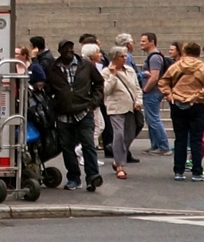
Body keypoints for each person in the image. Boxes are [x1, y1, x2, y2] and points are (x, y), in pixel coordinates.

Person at [46, 39, 103, 192]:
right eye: (66, 49)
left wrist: (94, 102)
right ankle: (73, 178)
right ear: (60, 51)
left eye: (71, 48)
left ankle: (92, 177)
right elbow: (48, 89)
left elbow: (99, 83)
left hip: (84, 111)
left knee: (88, 145)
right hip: (63, 114)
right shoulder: (53, 68)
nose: (69, 51)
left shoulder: (86, 65)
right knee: (67, 148)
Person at [161, 41, 204, 181]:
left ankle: (179, 171)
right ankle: (197, 171)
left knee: (180, 139)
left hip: (177, 102)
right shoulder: (203, 67)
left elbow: (163, 81)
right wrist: (199, 96)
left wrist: (169, 95)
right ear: (198, 53)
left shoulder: (176, 66)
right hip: (197, 104)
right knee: (196, 139)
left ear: (184, 52)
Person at [100, 47, 143, 179]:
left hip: (131, 106)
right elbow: (105, 91)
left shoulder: (130, 70)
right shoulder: (106, 72)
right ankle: (120, 165)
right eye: (122, 56)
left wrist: (139, 101)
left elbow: (137, 88)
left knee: (129, 135)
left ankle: (118, 158)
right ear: (115, 58)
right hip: (115, 107)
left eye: (125, 56)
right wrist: (112, 76)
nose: (125, 58)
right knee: (118, 134)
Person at [137, 33, 171, 155]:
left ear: (152, 42)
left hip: (153, 92)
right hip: (153, 91)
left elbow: (154, 76)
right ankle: (156, 145)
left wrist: (145, 89)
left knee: (154, 119)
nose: (141, 43)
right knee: (151, 119)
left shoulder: (154, 57)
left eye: (144, 41)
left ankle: (163, 146)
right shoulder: (153, 56)